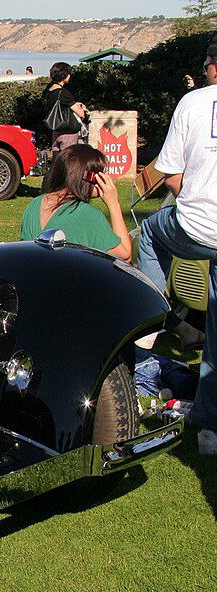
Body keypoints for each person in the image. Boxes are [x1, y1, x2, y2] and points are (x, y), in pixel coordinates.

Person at [136, 38, 217, 454]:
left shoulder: (195, 102)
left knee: (149, 232)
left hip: (198, 226)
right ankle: (208, 430)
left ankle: (150, 324)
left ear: (212, 67)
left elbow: (169, 175)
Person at [19, 144, 131, 260]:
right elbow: (125, 255)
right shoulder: (88, 214)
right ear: (91, 178)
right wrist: (114, 204)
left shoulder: (34, 204)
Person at [43, 61, 87, 152]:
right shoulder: (63, 93)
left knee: (57, 161)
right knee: (68, 161)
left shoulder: (49, 91)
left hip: (55, 131)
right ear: (65, 75)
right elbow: (81, 113)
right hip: (68, 133)